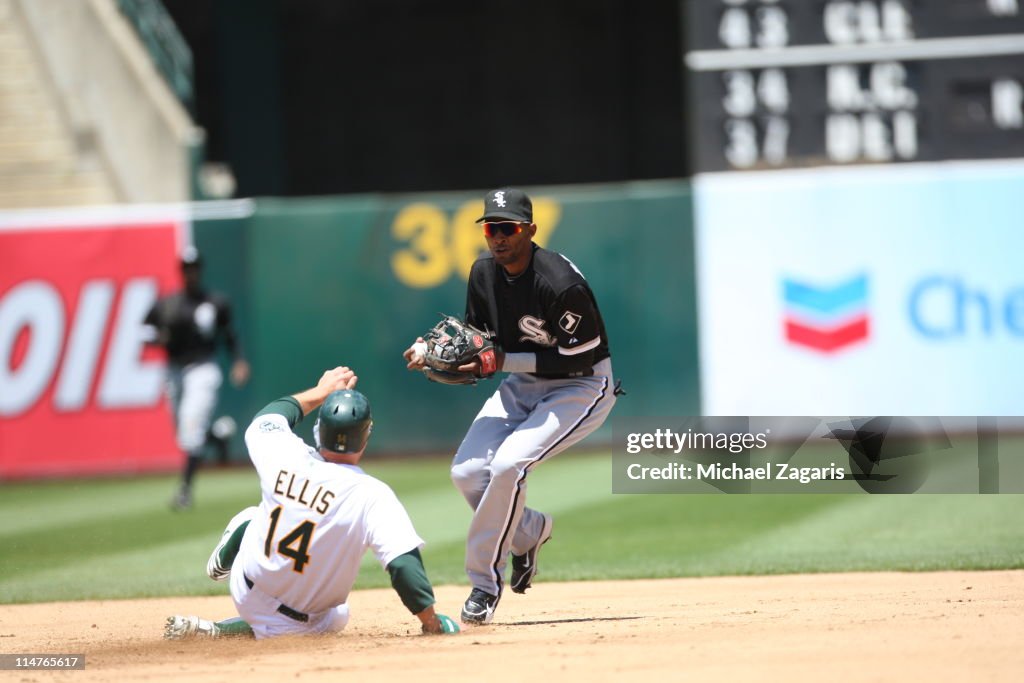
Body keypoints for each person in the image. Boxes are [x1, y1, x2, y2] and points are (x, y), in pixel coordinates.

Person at [404, 188, 619, 625]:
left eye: (508, 228)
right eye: (491, 228)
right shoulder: (483, 274)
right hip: (523, 384)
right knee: (466, 473)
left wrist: (502, 361)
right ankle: (530, 532)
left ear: (530, 230)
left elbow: (581, 355)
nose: (498, 237)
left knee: (508, 466)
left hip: (582, 385)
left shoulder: (560, 283)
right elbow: (476, 339)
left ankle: (483, 584)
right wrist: (429, 348)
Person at [164, 366, 460, 639]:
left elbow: (269, 416)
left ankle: (232, 560)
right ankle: (227, 630)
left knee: (256, 515)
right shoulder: (372, 495)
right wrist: (431, 622)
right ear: (365, 438)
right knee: (339, 615)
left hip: (245, 586)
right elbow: (403, 566)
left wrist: (321, 392)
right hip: (302, 622)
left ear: (319, 430)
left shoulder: (284, 453)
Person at [142, 246, 250, 510]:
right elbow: (144, 330)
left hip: (203, 368)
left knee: (191, 430)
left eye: (194, 268)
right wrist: (159, 338)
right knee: (185, 435)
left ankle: (184, 491)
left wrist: (238, 360)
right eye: (186, 268)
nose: (191, 273)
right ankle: (218, 435)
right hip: (174, 370)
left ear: (200, 270)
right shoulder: (167, 304)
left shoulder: (214, 302)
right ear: (181, 271)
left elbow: (229, 334)